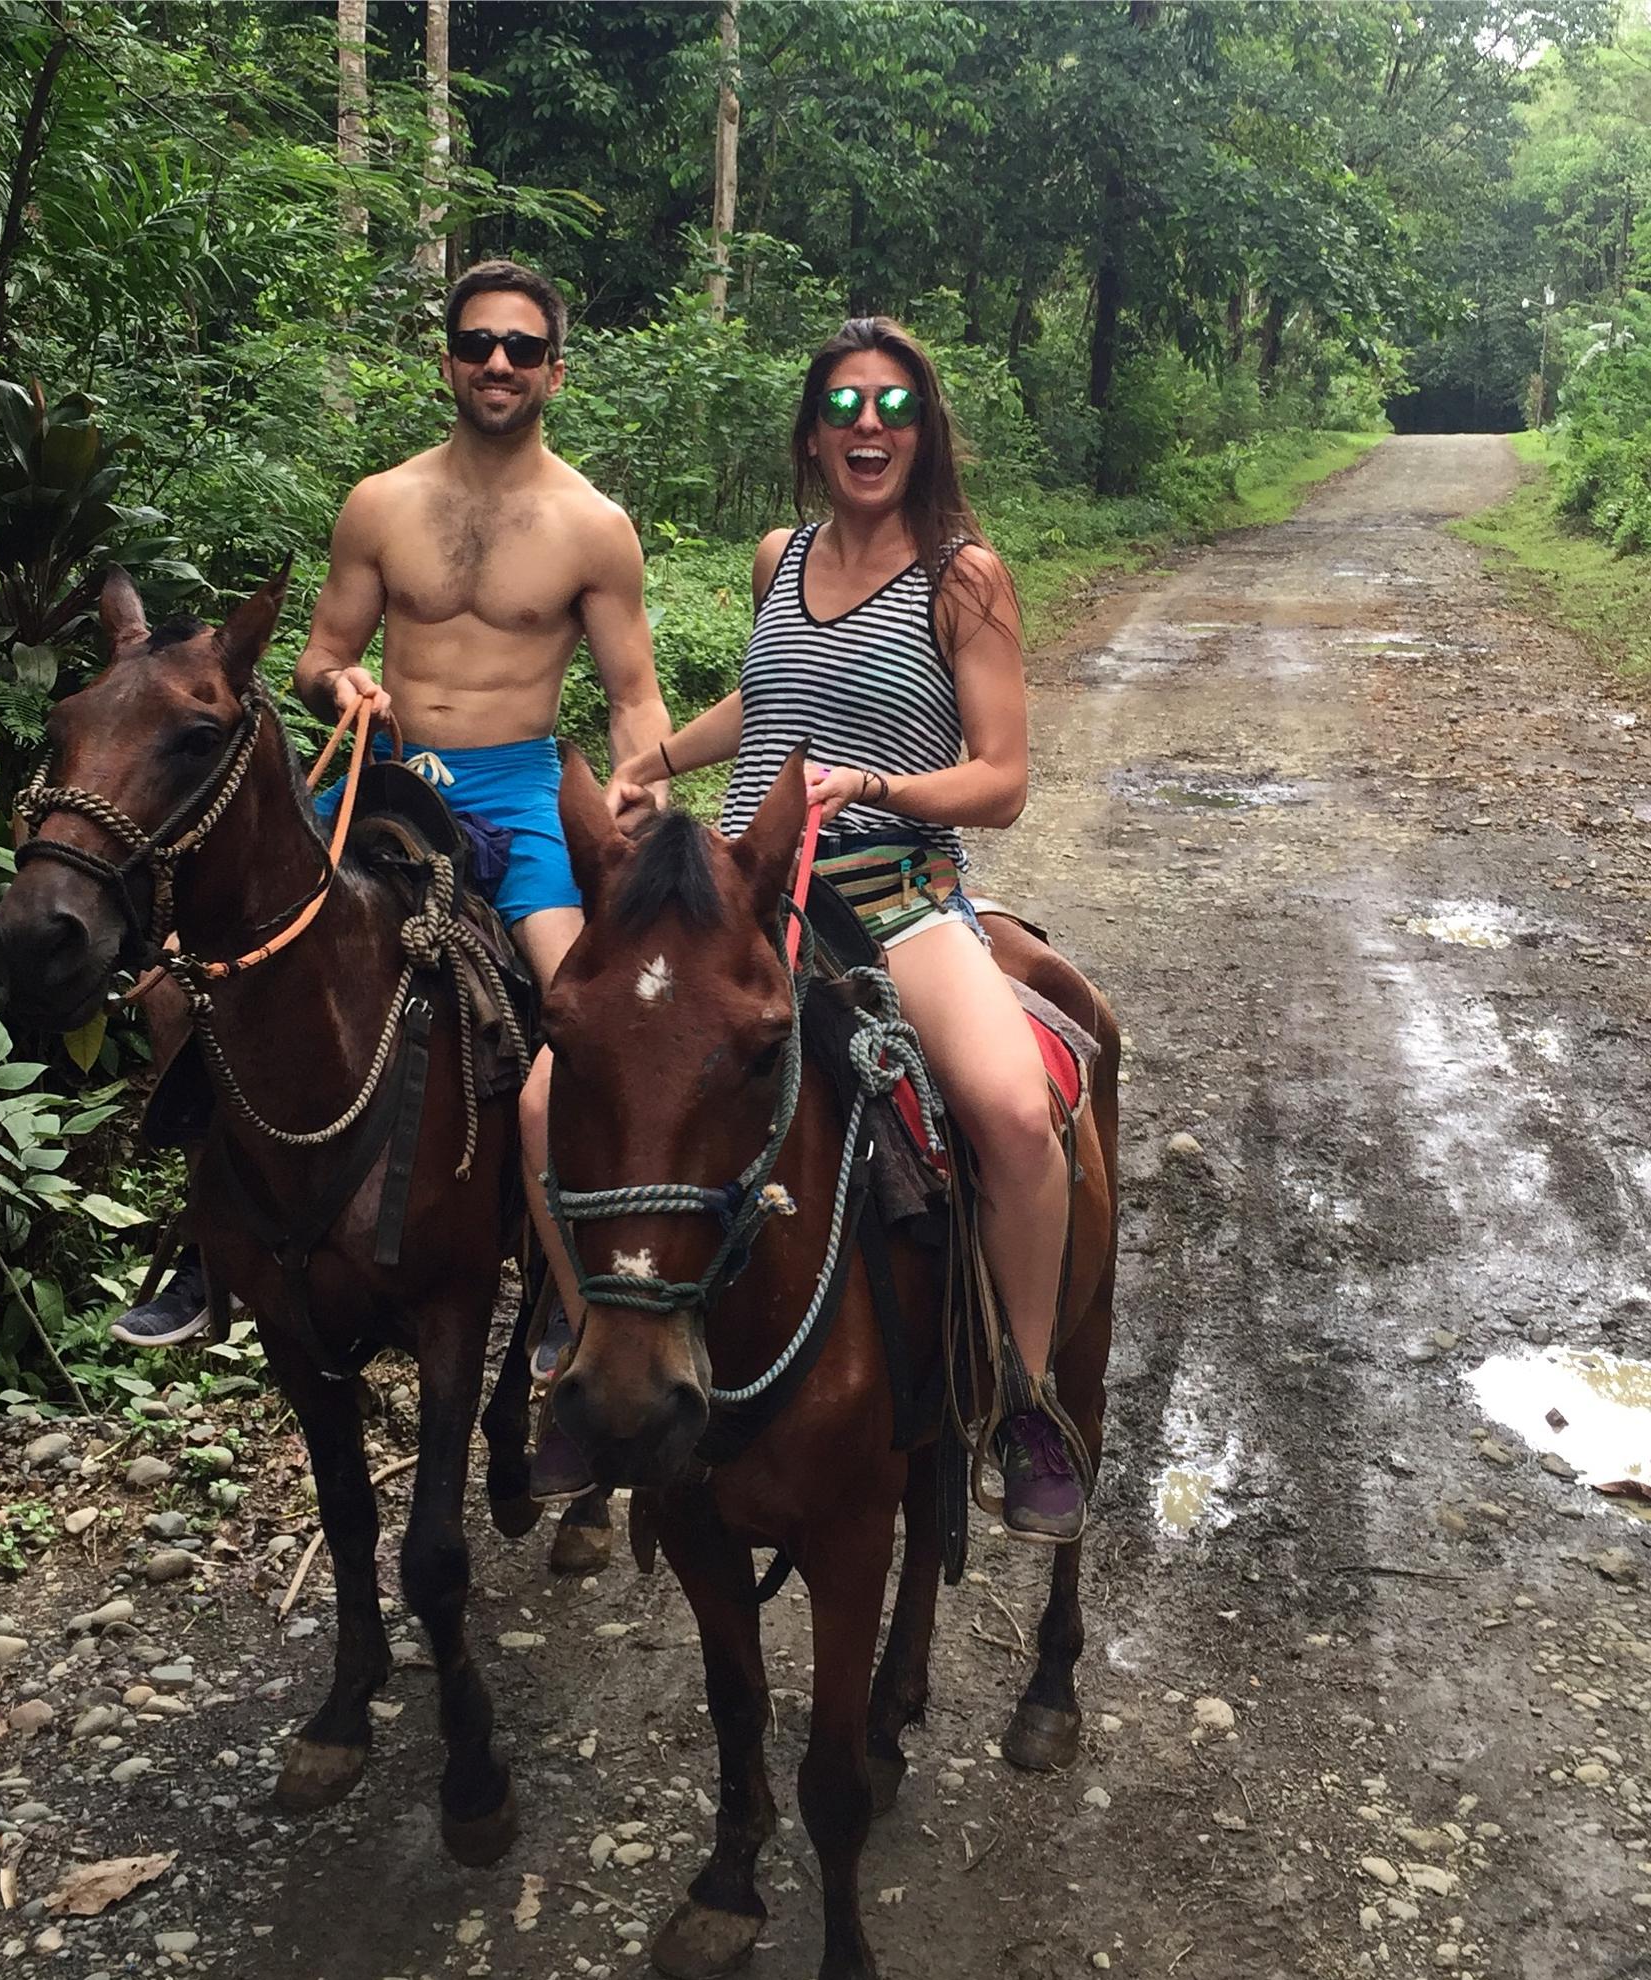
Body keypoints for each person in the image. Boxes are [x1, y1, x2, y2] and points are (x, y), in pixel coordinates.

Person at [115, 261, 672, 1470]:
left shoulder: (592, 526)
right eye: (477, 343)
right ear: (447, 361)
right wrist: (340, 683)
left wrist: (643, 800)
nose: (498, 364)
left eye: (522, 348)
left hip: (520, 787)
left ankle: (567, 1289)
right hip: (379, 769)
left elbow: (632, 695)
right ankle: (209, 1248)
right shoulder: (381, 503)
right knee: (183, 976)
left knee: (579, 1021)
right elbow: (318, 653)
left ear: (554, 371)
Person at [606, 315, 1086, 1544]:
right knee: (570, 1091)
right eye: (840, 407)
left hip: (893, 894)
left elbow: (1002, 777)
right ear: (812, 433)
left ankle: (1023, 1399)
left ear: (923, 430)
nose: (865, 428)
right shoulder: (781, 555)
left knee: (1013, 1112)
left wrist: (874, 786)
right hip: (740, 893)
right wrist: (654, 759)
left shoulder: (961, 574)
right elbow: (771, 695)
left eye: (891, 407)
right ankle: (585, 1356)